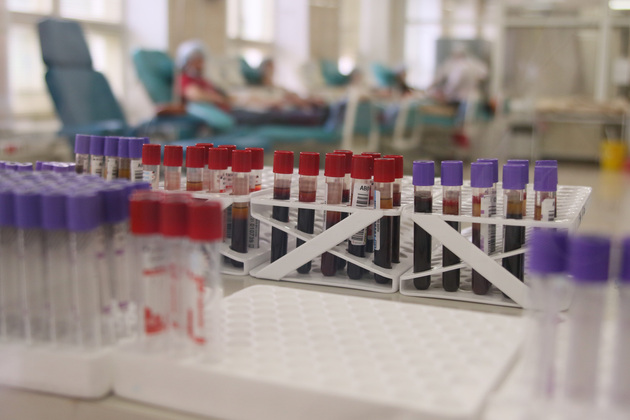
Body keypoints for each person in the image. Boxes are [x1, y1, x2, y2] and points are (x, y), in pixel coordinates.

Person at [175, 40, 231, 112]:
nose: (201, 65)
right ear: (187, 62)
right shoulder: (184, 78)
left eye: (201, 61)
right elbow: (194, 94)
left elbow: (223, 94)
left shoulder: (203, 80)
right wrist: (217, 98)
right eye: (196, 61)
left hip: (225, 110)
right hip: (211, 113)